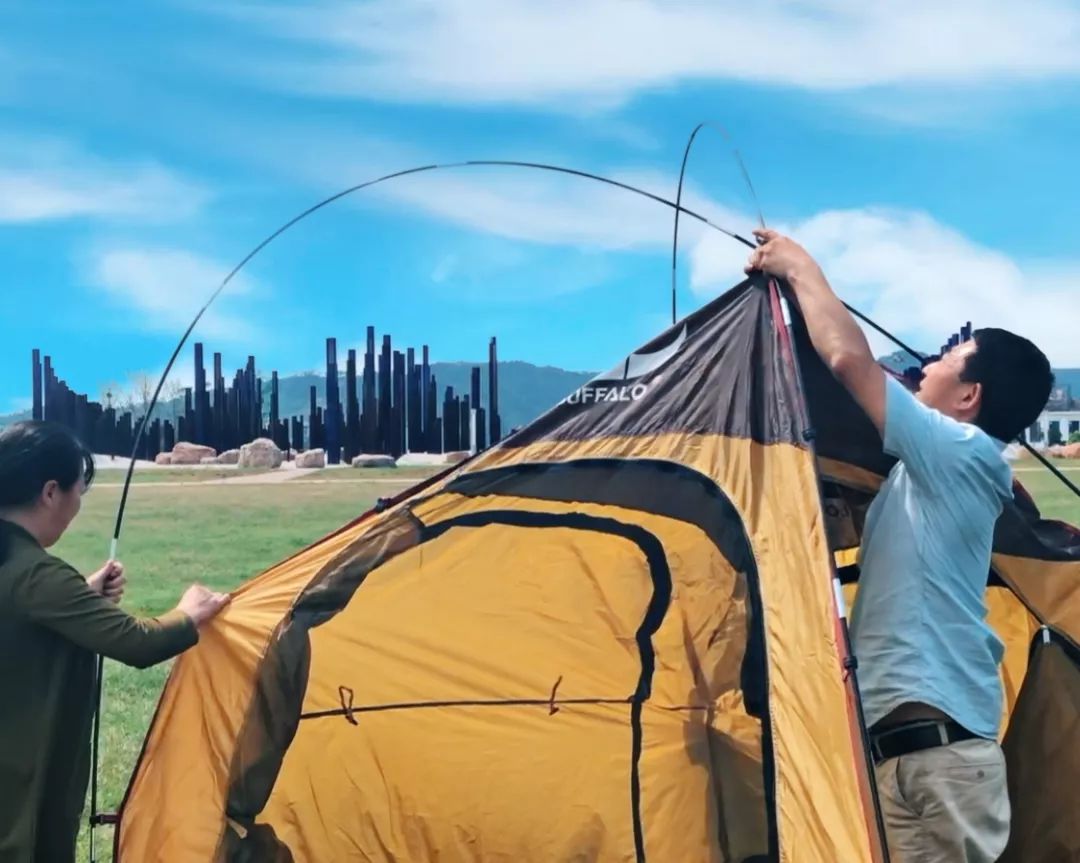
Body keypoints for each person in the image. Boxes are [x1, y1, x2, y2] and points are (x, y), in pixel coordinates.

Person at [747, 230, 1053, 863]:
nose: (926, 365)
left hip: (940, 764)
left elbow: (850, 363)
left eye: (947, 357)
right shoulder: (922, 475)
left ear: (969, 398)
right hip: (902, 760)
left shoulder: (960, 451)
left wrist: (801, 265)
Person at [0, 420, 231, 862]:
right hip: (17, 787)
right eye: (77, 494)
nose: (75, 508)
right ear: (51, 493)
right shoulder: (37, 575)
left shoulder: (18, 566)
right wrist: (188, 613)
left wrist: (82, 597)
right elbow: (138, 643)